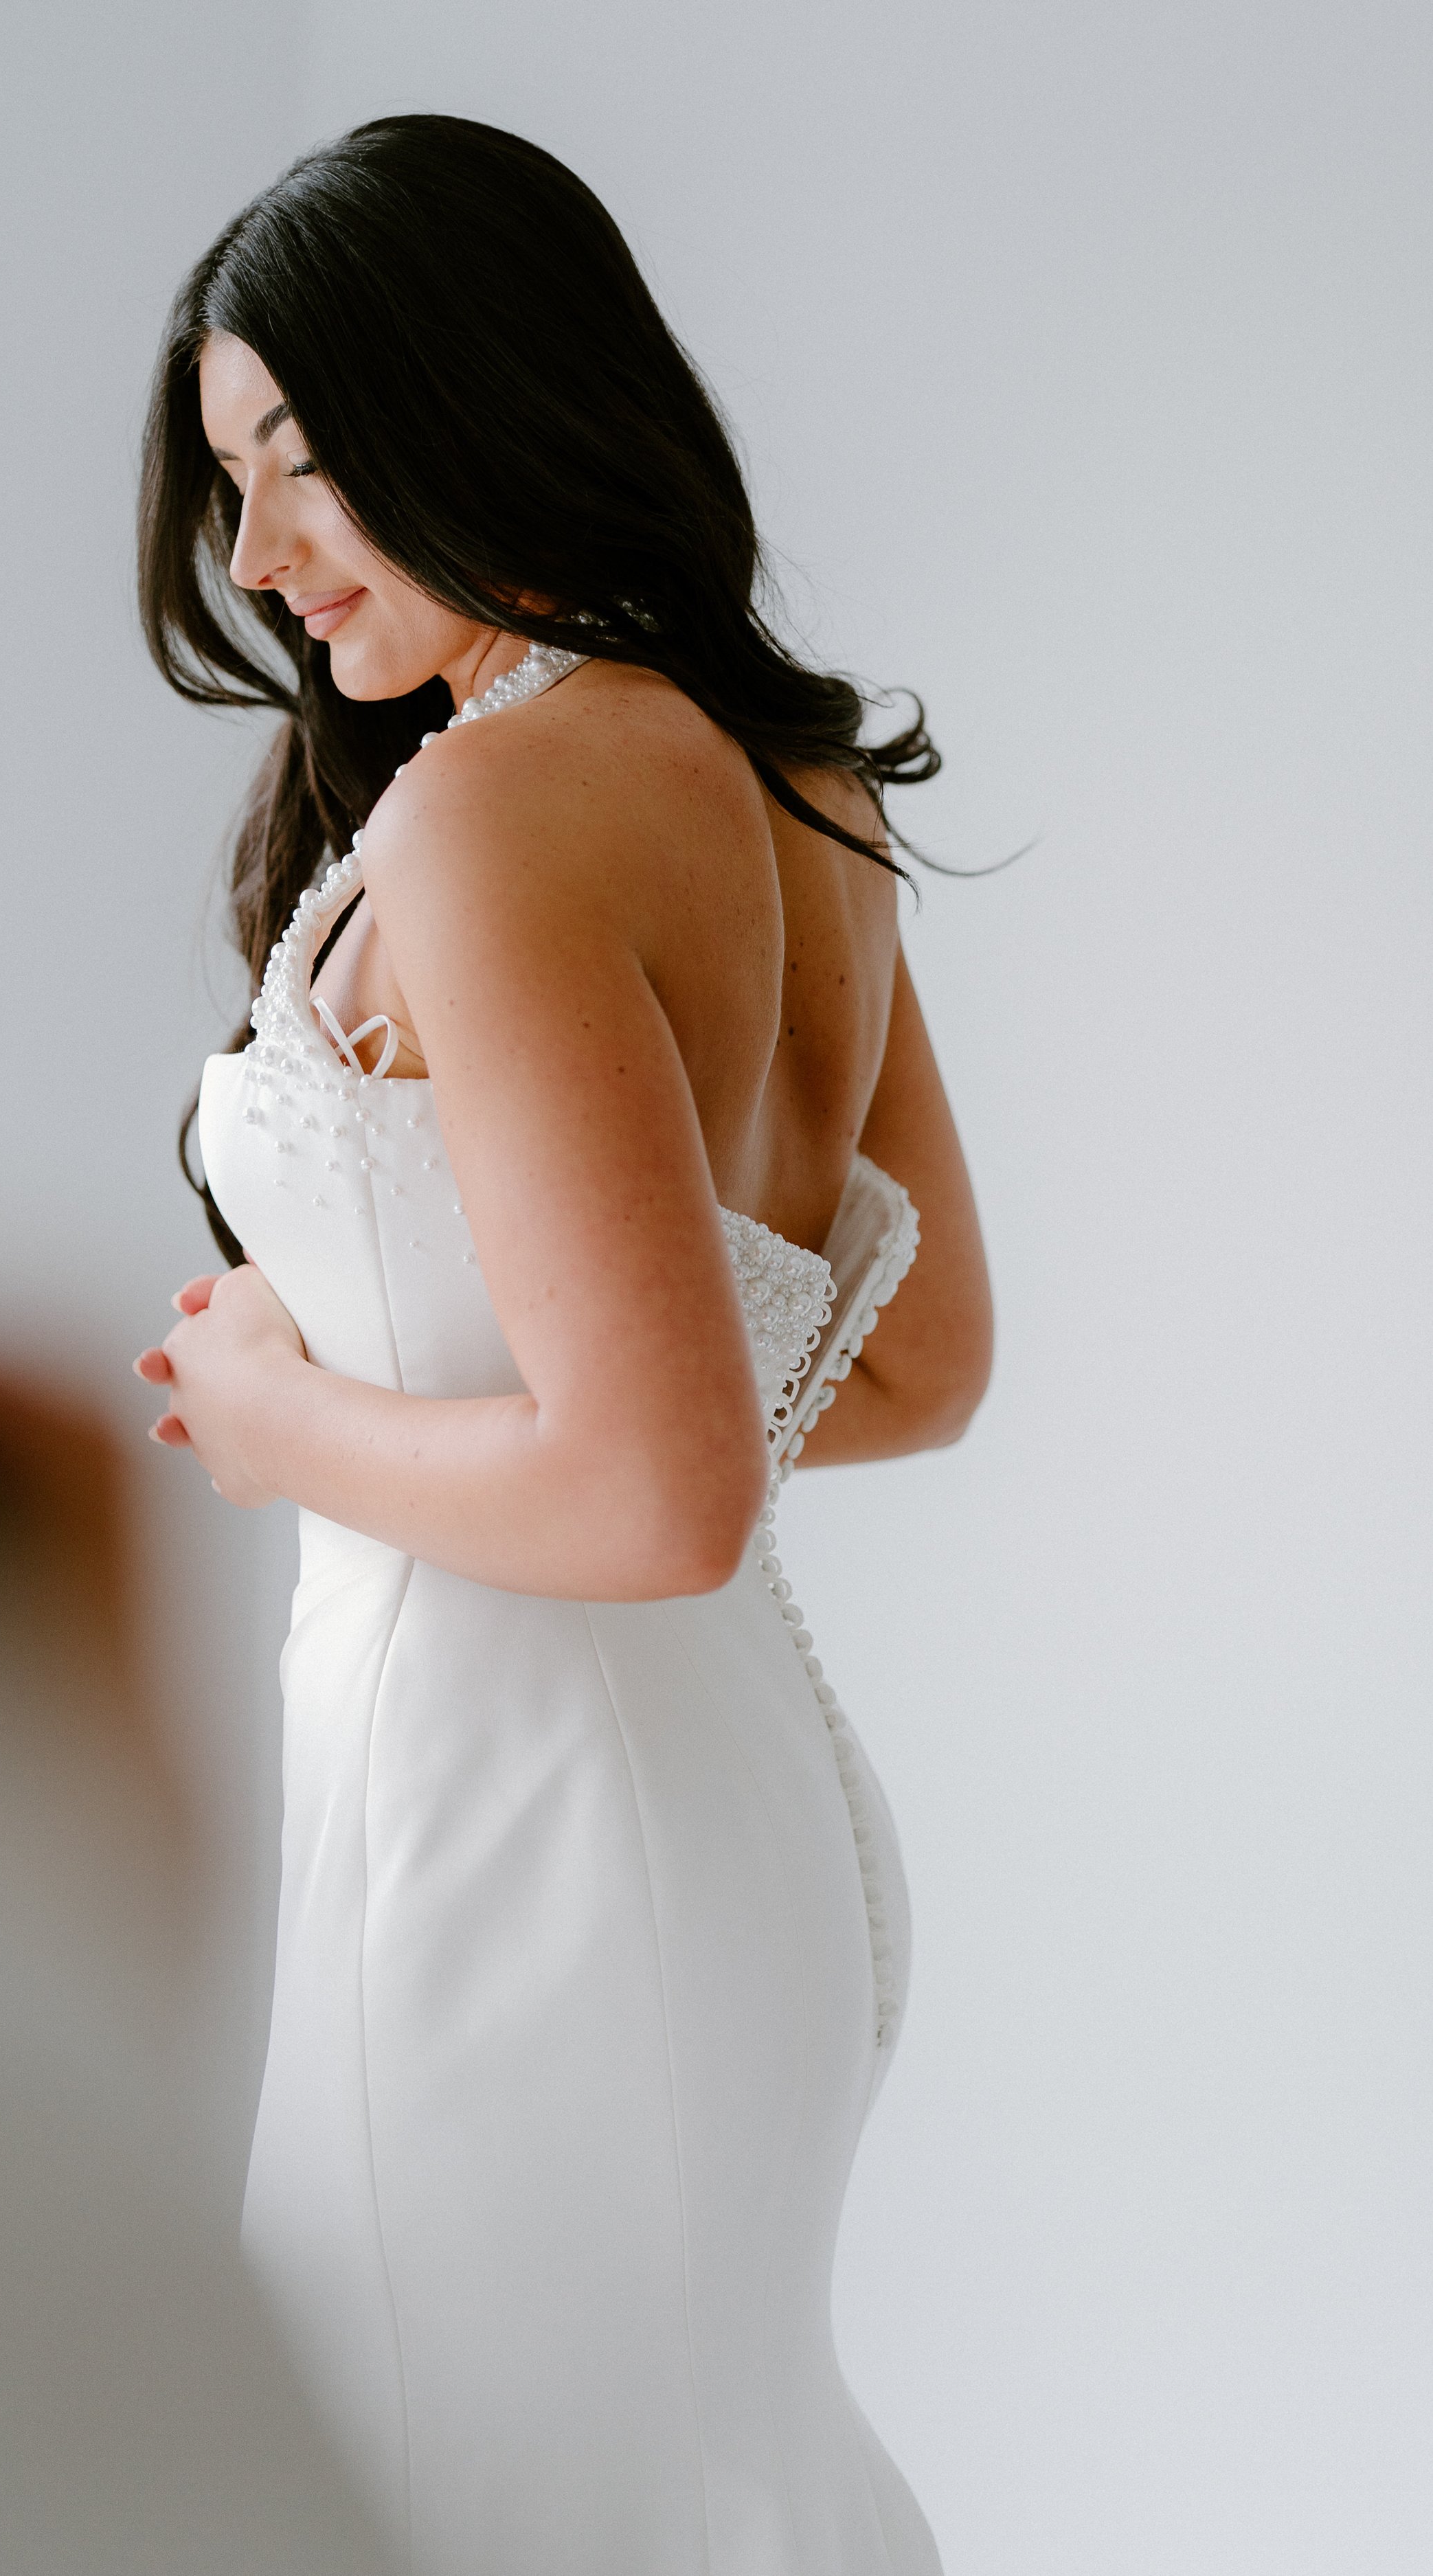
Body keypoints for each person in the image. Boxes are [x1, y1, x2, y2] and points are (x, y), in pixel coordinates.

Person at [135, 113, 992, 2576]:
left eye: (301, 459)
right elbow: (909, 1368)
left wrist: (291, 1417)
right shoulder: (787, 784)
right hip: (720, 1809)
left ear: (477, 392)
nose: (262, 553)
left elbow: (652, 1492)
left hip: (508, 1834)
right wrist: (582, 1403)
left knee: (463, 2492)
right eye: (230, 483)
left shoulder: (494, 815)